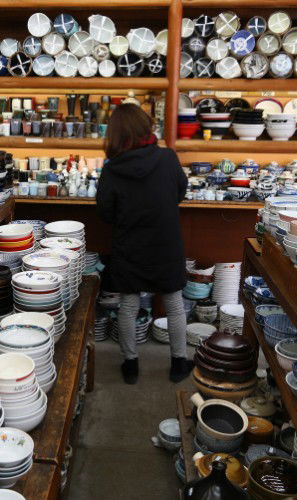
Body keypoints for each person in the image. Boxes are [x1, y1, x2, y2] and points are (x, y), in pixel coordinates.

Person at [96, 103, 191, 385]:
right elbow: (180, 192)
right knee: (174, 303)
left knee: (128, 305)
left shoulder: (113, 169)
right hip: (166, 243)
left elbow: (105, 212)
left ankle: (131, 364)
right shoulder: (167, 158)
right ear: (145, 127)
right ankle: (179, 363)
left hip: (130, 245)